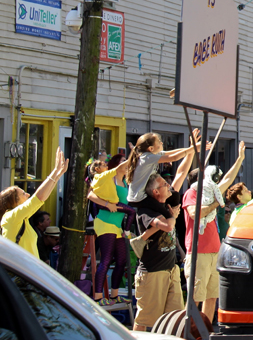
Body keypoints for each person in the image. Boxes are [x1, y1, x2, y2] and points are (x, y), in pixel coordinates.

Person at [182, 141, 247, 322]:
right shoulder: (191, 194)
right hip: (198, 252)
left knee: (212, 297)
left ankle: (205, 330)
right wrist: (215, 205)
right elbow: (195, 213)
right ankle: (191, 330)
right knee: (196, 296)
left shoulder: (212, 193)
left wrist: (240, 159)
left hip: (214, 251)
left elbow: (227, 179)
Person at [133, 173, 183, 332]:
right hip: (152, 273)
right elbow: (167, 226)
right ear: (155, 192)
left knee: (176, 319)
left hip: (171, 270)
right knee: (144, 320)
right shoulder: (146, 211)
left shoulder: (165, 204)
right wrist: (173, 216)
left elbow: (180, 175)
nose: (169, 186)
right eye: (164, 185)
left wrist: (189, 154)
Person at [0, 148, 69, 258]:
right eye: (23, 194)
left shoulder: (23, 218)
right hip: (19, 273)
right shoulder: (11, 217)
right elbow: (39, 197)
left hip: (25, 271)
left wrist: (59, 174)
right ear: (14, 201)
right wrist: (55, 171)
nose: (27, 194)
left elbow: (42, 198)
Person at [87, 153, 135, 305]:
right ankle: (98, 297)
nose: (105, 165)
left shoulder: (122, 181)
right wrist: (136, 152)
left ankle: (114, 296)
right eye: (101, 164)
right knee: (106, 260)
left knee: (121, 260)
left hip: (116, 225)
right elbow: (90, 195)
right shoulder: (105, 178)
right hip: (106, 221)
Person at [125, 132, 208, 208]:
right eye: (158, 142)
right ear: (151, 148)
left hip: (140, 196)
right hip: (138, 198)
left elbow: (173, 153)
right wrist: (193, 148)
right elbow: (174, 157)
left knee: (172, 197)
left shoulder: (152, 154)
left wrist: (192, 148)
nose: (161, 143)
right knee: (165, 211)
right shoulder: (147, 157)